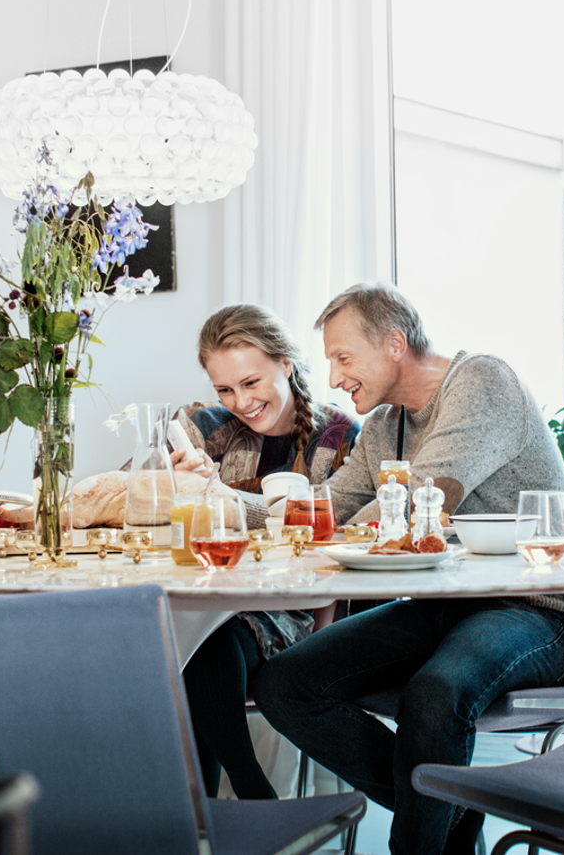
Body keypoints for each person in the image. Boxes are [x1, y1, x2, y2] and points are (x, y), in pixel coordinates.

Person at [254, 282, 564, 855]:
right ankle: (454, 813)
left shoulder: (482, 382)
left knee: (434, 694)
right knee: (287, 684)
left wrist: (343, 527)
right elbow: (329, 503)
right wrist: (226, 507)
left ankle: (423, 838)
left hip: (531, 608)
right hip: (440, 605)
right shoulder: (385, 425)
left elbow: (425, 497)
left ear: (394, 343)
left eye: (343, 357)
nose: (332, 378)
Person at [174, 304, 360, 801]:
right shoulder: (203, 428)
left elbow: (335, 543)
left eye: (251, 382)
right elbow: (129, 497)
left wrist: (323, 648)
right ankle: (240, 804)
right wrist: (168, 480)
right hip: (207, 603)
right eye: (225, 389)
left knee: (205, 641)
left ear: (286, 364)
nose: (240, 401)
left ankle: (232, 806)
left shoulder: (336, 437)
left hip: (286, 610)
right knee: (200, 632)